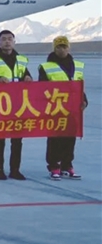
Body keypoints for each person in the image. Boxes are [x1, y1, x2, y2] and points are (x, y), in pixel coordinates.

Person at [0, 30, 32, 181]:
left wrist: (28, 77)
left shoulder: (21, 59)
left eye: (10, 39)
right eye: (3, 39)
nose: (7, 42)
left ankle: (15, 169)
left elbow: (26, 75)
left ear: (14, 41)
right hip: (0, 105)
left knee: (17, 140)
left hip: (18, 104)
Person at [39, 36, 87, 180]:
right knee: (55, 138)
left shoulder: (77, 65)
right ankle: (54, 165)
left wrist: (84, 100)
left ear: (68, 48)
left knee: (70, 138)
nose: (62, 50)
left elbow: (79, 85)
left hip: (72, 108)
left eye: (64, 47)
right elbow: (41, 88)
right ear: (54, 49)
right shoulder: (46, 67)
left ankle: (67, 164)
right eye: (59, 47)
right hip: (55, 107)